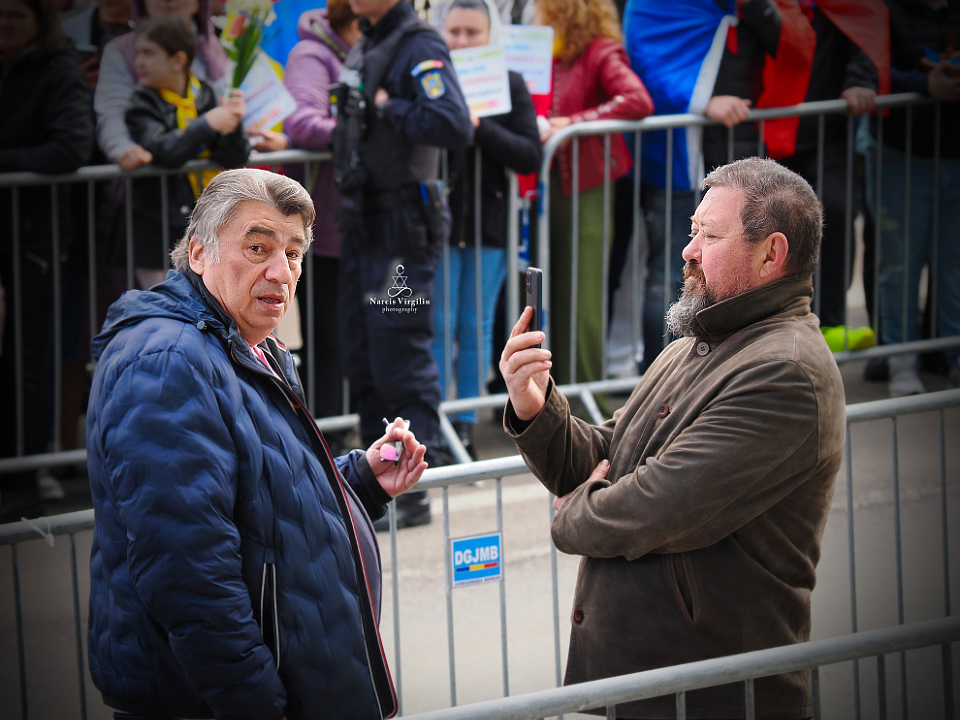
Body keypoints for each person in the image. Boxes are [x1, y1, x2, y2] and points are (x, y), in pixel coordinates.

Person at [501, 157, 845, 719]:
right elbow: (608, 457)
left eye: (709, 235)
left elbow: (654, 505)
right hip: (644, 683)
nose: (688, 250)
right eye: (692, 231)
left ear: (771, 254)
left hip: (712, 695)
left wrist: (571, 511)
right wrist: (535, 406)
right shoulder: (697, 338)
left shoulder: (786, 371)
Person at [86, 168, 428, 720]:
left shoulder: (246, 343)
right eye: (257, 246)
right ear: (198, 253)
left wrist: (358, 479)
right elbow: (191, 580)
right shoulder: (168, 362)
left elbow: (260, 492)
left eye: (294, 253)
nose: (281, 271)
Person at [332, 0, 473, 528]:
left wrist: (390, 107)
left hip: (401, 226)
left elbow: (452, 122)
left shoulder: (420, 44)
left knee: (400, 359)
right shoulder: (367, 41)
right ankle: (376, 485)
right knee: (363, 356)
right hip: (363, 221)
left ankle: (411, 491)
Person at [430, 0, 542, 456]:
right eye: (453, 31)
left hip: (488, 225)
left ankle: (465, 425)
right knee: (437, 326)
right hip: (439, 224)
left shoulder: (509, 84)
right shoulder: (431, 82)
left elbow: (528, 153)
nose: (461, 41)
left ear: (489, 35)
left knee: (475, 327)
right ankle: (432, 426)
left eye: (471, 32)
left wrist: (478, 126)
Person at [0, 0, 93, 514]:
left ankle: (27, 466)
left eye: (16, 13)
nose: (5, 24)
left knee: (27, 352)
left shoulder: (58, 69)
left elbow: (71, 147)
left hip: (34, 234)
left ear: (40, 19)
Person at [534, 0, 654, 390]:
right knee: (548, 291)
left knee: (581, 295)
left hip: (586, 183)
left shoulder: (600, 49)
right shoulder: (552, 49)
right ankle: (552, 393)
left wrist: (573, 123)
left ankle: (582, 394)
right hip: (550, 181)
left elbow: (637, 101)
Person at [871, 0, 960, 396]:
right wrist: (925, 85)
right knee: (899, 266)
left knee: (954, 267)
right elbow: (869, 70)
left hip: (955, 156)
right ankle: (902, 364)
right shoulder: (885, 9)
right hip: (901, 157)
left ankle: (953, 358)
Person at [124, 15, 249, 289]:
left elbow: (234, 157)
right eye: (138, 53)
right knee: (164, 306)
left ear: (178, 60)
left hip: (204, 220)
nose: (139, 62)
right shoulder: (140, 102)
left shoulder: (205, 94)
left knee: (207, 303)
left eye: (148, 53)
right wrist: (206, 125)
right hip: (155, 227)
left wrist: (235, 125)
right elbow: (164, 150)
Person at [284, 0, 362, 441]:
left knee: (355, 334)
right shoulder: (311, 55)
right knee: (328, 339)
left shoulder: (372, 50)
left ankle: (345, 432)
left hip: (362, 223)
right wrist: (366, 130)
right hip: (323, 224)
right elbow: (301, 121)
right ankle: (326, 439)